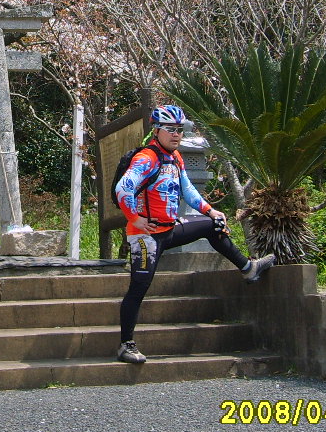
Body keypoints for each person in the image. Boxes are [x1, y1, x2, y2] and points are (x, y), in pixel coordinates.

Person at [114, 104, 275, 364]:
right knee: (139, 288)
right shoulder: (147, 158)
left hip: (169, 229)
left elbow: (187, 189)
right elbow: (124, 188)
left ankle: (248, 267)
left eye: (179, 130)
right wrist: (135, 218)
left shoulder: (175, 158)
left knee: (213, 225)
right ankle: (126, 345)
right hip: (145, 237)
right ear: (157, 130)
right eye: (171, 130)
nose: (176, 135)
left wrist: (211, 211)